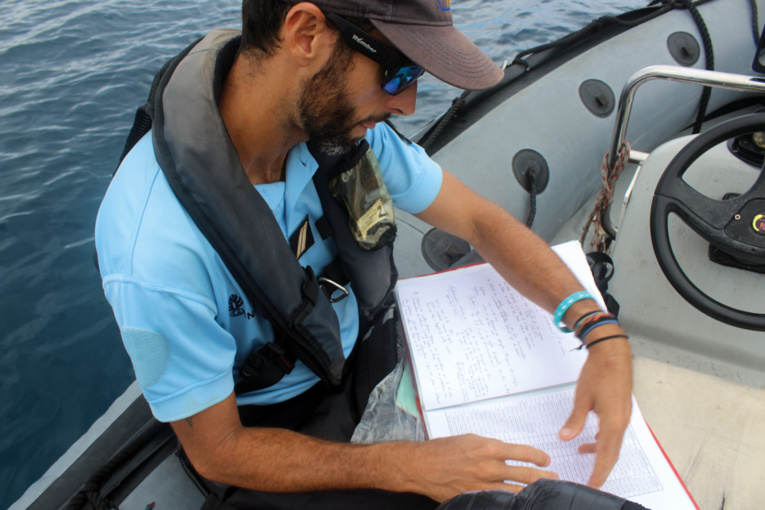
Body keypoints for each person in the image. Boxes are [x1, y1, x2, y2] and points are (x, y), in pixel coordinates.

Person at [95, 0, 633, 508]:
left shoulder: (335, 131)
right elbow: (218, 449)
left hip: (365, 353)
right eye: (398, 72)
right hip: (278, 421)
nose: (408, 104)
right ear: (306, 33)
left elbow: (478, 219)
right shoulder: (156, 249)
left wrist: (593, 324)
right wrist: (407, 466)